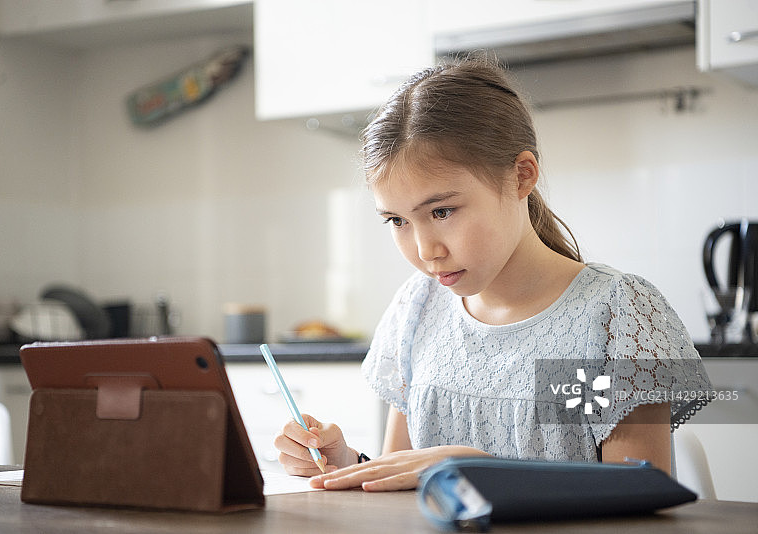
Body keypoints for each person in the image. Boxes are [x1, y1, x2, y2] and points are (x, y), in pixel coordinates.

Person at [273, 55, 712, 492]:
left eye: (442, 211)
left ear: (522, 176)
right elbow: (403, 482)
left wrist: (483, 470)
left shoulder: (615, 316)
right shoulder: (417, 308)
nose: (426, 251)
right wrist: (347, 464)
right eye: (397, 221)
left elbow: (635, 505)